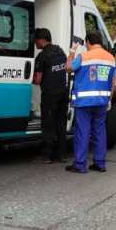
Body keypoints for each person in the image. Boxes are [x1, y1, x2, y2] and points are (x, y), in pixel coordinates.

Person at [65, 31, 115, 174]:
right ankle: (100, 163)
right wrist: (109, 98)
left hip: (85, 102)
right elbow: (112, 82)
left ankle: (80, 164)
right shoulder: (110, 58)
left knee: (83, 131)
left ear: (88, 42)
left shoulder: (84, 56)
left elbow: (68, 68)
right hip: (102, 102)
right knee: (99, 131)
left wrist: (72, 52)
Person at [33, 28, 69, 163]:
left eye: (36, 41)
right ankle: (62, 154)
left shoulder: (42, 56)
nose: (35, 44)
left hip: (50, 95)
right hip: (63, 93)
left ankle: (46, 156)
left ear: (41, 40)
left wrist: (28, 79)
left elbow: (37, 80)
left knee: (48, 124)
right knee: (61, 123)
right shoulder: (60, 51)